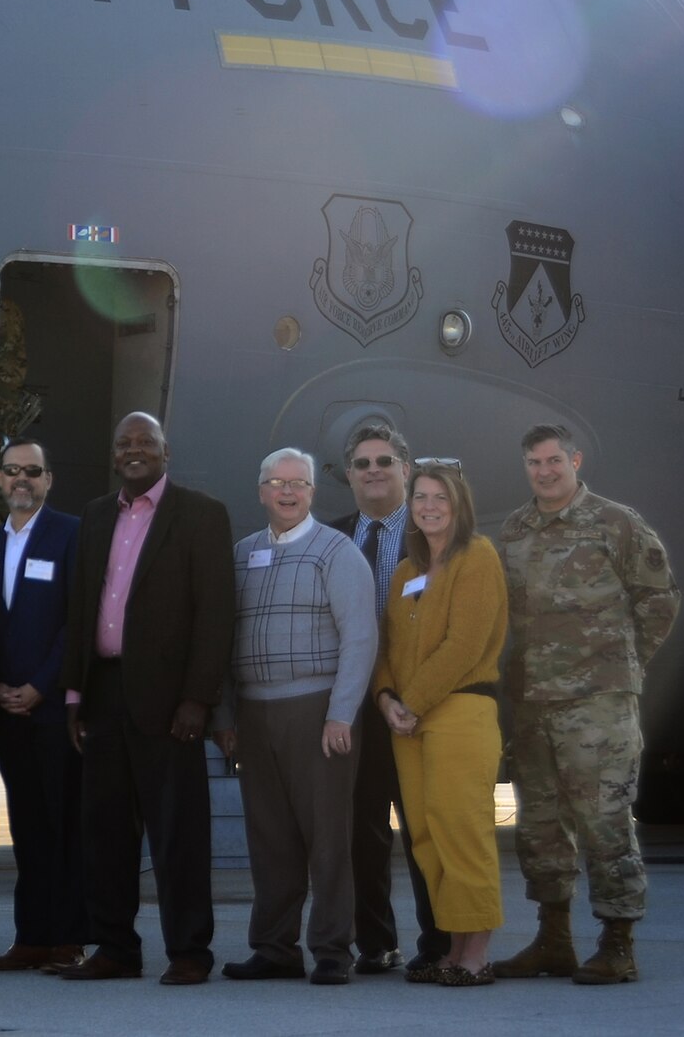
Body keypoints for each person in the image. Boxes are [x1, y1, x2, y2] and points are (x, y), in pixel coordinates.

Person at [494, 425, 680, 985]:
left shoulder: (616, 522)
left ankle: (617, 944)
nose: (544, 471)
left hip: (598, 704)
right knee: (541, 826)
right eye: (533, 462)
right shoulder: (515, 529)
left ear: (574, 459)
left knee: (604, 821)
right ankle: (553, 940)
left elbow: (659, 598)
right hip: (532, 704)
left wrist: (621, 663)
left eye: (553, 460)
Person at [56, 412, 234, 986]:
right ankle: (114, 948)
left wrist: (198, 699)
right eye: (124, 443)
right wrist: (75, 693)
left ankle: (189, 952)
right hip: (104, 694)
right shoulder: (94, 516)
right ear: (114, 456)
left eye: (145, 442)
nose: (134, 450)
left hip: (169, 703)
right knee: (104, 832)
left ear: (166, 451)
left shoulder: (202, 515)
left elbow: (215, 615)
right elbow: (82, 606)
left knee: (178, 832)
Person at [212, 449, 376, 985]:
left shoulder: (336, 551)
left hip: (317, 710)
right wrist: (228, 715)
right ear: (260, 491)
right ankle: (274, 947)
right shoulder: (241, 554)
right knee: (269, 838)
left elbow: (360, 637)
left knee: (328, 836)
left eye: (298, 483)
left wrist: (341, 714)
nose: (288, 491)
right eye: (277, 482)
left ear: (312, 492)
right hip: (255, 716)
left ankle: (332, 948)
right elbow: (223, 642)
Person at [372, 461, 506, 986]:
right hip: (407, 720)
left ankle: (477, 956)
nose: (429, 506)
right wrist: (386, 699)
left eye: (440, 498)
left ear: (458, 505)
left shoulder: (479, 557)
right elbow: (385, 646)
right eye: (421, 497)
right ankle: (451, 950)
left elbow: (464, 645)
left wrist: (414, 702)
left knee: (462, 829)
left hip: (460, 711)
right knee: (426, 837)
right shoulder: (407, 571)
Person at [326, 423, 447, 975]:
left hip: (417, 708)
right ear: (348, 475)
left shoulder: (435, 538)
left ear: (406, 467)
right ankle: (376, 942)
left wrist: (411, 696)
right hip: (354, 708)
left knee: (424, 827)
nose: (373, 470)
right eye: (362, 463)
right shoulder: (330, 539)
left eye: (384, 461)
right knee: (361, 833)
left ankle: (440, 943)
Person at [0, 438, 87, 974]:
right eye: (12, 471)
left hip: (53, 708)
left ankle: (69, 938)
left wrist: (42, 684)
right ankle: (32, 936)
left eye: (32, 472)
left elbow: (75, 621)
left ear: (48, 479)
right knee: (27, 826)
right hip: (8, 711)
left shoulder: (70, 534)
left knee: (65, 825)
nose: (22, 480)